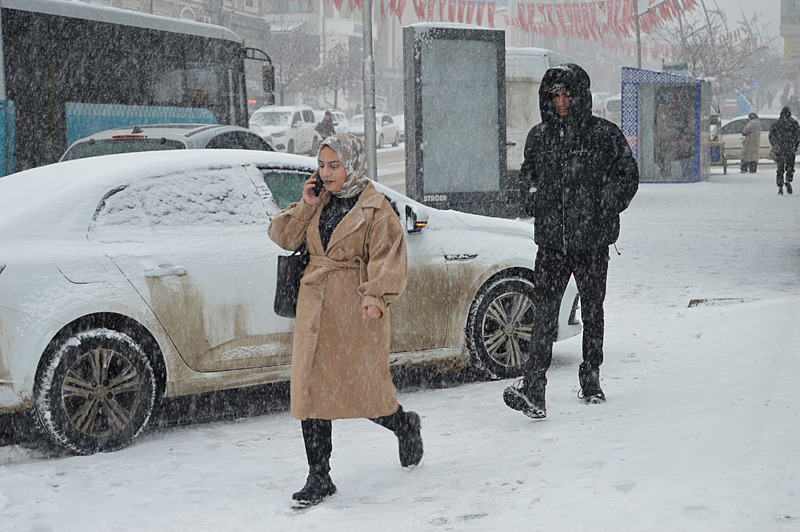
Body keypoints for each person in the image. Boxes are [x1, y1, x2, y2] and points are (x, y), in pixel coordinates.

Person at [267, 133, 423, 508]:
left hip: (354, 310)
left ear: (352, 164)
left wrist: (375, 297)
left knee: (363, 391)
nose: (327, 173)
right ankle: (319, 476)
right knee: (311, 393)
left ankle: (404, 424)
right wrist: (305, 205)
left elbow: (388, 258)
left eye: (334, 165)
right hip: (314, 305)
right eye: (321, 166)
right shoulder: (318, 200)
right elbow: (283, 236)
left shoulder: (375, 208)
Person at [503, 63, 639, 419]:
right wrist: (531, 196)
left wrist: (603, 206)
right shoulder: (539, 136)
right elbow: (527, 176)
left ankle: (591, 376)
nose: (561, 102)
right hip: (551, 242)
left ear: (580, 97)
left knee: (593, 310)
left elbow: (628, 176)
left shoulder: (604, 135)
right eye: (555, 96)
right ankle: (534, 387)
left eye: (566, 95)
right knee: (545, 312)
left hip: (591, 243)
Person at [769, 106, 800, 195]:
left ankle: (780, 186)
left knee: (780, 168)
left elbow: (771, 135)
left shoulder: (776, 123)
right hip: (790, 149)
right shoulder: (794, 123)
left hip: (780, 149)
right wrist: (794, 146)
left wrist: (775, 145)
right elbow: (798, 136)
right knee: (790, 167)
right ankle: (788, 180)